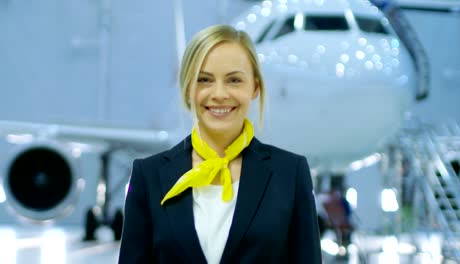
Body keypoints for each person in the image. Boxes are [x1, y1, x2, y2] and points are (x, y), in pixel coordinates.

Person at [118, 24, 322, 263]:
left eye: (234, 80)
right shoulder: (149, 177)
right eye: (204, 80)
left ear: (254, 87)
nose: (219, 94)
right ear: (187, 89)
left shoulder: (290, 174)